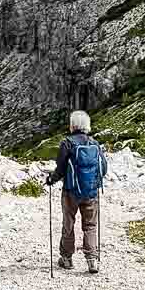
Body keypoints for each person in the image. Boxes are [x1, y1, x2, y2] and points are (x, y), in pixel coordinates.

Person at [46, 110, 108, 274]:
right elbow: (104, 168)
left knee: (69, 224)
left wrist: (51, 179)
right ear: (87, 126)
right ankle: (92, 261)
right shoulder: (94, 143)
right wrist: (94, 182)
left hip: (71, 191)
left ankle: (66, 259)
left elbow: (60, 169)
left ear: (73, 125)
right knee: (90, 225)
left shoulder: (67, 143)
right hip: (91, 192)